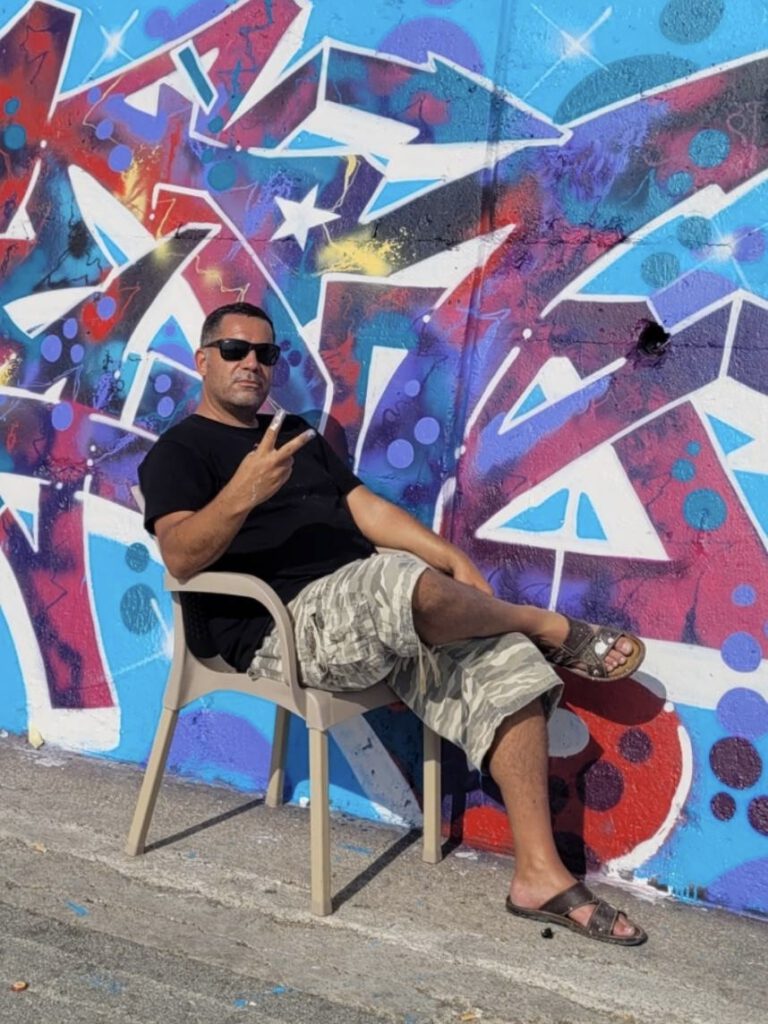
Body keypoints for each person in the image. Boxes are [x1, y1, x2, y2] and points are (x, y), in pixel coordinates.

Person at [139, 301, 648, 946]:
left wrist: (449, 556)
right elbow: (180, 556)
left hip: (368, 613)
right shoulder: (178, 452)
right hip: (279, 628)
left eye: (265, 353)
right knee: (398, 580)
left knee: (506, 658)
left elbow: (362, 507)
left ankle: (539, 875)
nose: (251, 364)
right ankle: (546, 625)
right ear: (203, 359)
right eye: (235, 350)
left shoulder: (294, 432)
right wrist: (244, 491)